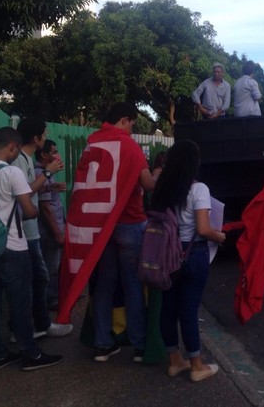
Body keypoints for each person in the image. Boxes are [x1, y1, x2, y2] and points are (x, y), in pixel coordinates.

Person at [0, 127, 63, 370]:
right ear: (12, 146)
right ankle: (30, 354)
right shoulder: (11, 172)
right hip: (12, 246)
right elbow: (31, 210)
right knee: (20, 302)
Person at [73, 102, 157, 363]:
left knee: (104, 285)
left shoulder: (92, 144)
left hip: (100, 225)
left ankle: (102, 344)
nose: (133, 127)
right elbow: (148, 185)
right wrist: (157, 175)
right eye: (132, 122)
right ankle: (140, 345)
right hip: (130, 223)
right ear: (124, 119)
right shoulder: (130, 146)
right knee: (133, 285)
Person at [150, 140, 226, 382]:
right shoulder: (198, 189)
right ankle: (196, 365)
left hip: (166, 254)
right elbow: (203, 229)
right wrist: (220, 236)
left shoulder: (162, 187)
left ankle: (175, 361)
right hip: (192, 254)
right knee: (189, 310)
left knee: (168, 307)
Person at [12, 118, 72, 338]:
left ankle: (37, 325)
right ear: (35, 139)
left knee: (38, 278)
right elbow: (25, 192)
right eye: (44, 136)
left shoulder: (24, 159)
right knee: (38, 278)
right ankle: (33, 327)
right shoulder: (19, 160)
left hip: (30, 232)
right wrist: (47, 173)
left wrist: (49, 182)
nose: (46, 140)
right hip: (25, 232)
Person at [34, 139, 67, 311]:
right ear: (44, 154)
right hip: (48, 232)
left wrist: (51, 187)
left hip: (49, 230)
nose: (56, 155)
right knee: (50, 268)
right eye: (53, 152)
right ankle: (50, 301)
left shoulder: (47, 174)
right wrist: (58, 233)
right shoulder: (41, 173)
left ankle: (52, 298)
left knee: (52, 266)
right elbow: (45, 207)